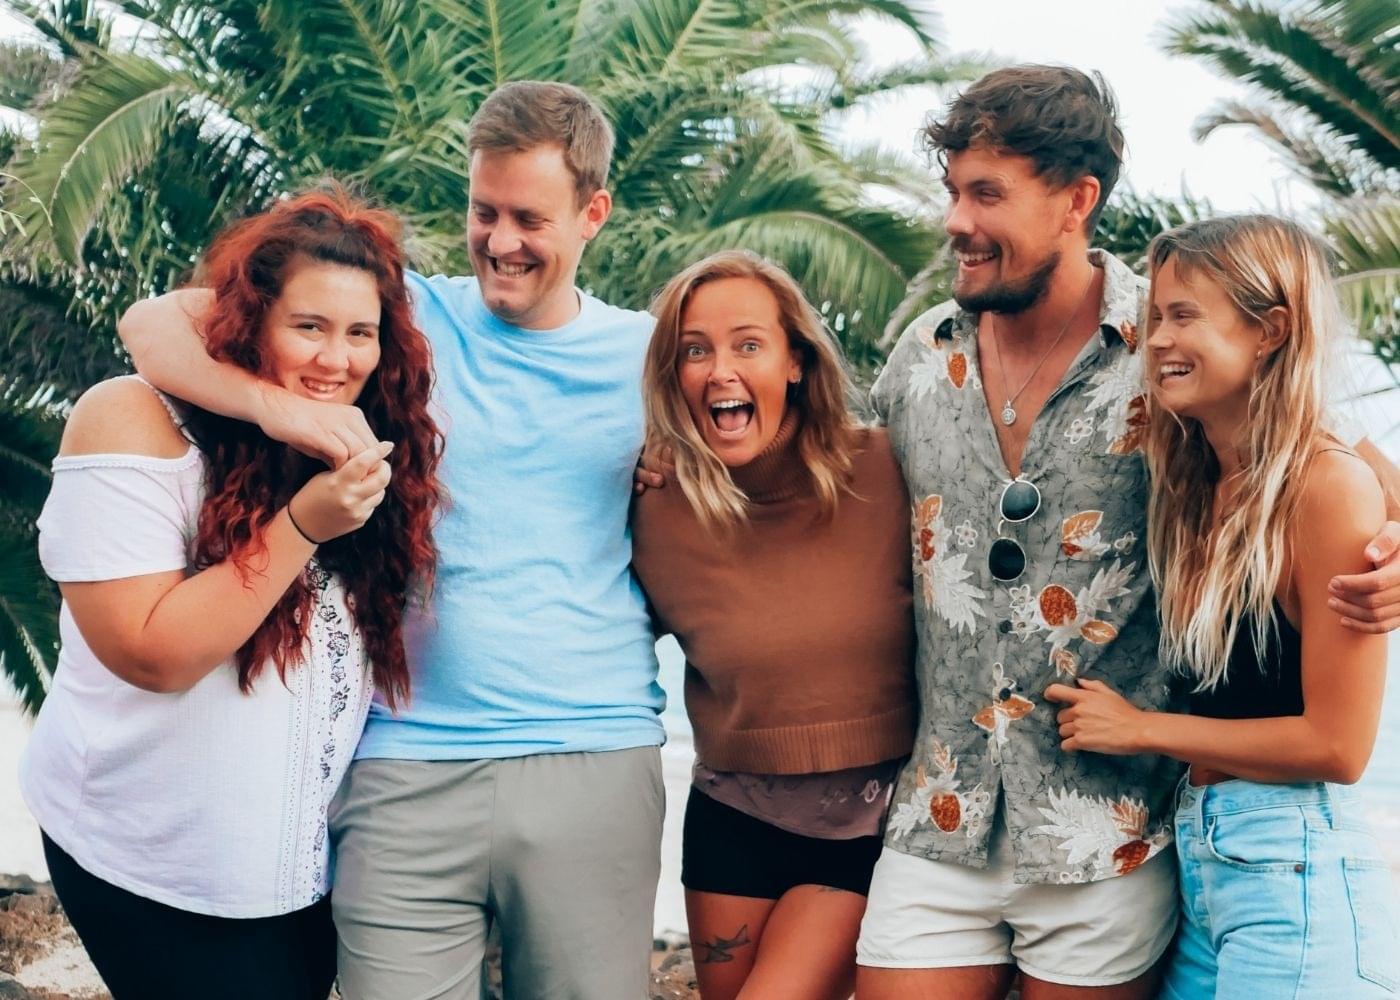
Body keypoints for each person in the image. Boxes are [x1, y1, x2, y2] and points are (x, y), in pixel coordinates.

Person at [850, 66, 1400, 999]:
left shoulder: (1173, 340)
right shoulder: (920, 354)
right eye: (953, 192)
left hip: (1112, 828)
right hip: (938, 815)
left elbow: (1317, 448)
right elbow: (838, 493)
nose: (956, 221)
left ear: (1077, 201)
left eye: (987, 194)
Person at [118, 82, 665, 999]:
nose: (499, 241)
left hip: (595, 757)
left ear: (593, 214)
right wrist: (281, 409)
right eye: (483, 212)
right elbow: (151, 325)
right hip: (399, 762)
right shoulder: (402, 321)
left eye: (529, 219)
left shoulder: (650, 358)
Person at [19, 187, 442, 1000]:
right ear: (250, 320)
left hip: (300, 877)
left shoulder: (366, 437)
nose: (336, 358)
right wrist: (302, 522)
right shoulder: (134, 419)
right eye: (308, 326)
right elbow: (153, 655)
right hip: (154, 864)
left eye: (359, 333)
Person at [1045, 215, 1399, 998]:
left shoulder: (1325, 485)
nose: (1157, 341)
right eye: (1154, 318)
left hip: (1294, 880)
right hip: (1208, 873)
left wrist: (1139, 729)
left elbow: (1339, 745)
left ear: (1270, 330)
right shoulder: (1200, 477)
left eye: (1183, 316)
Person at [631, 250, 915, 999]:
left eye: (748, 344)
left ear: (795, 361)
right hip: (730, 818)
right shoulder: (654, 500)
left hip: (866, 826)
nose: (720, 371)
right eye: (695, 350)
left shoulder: (888, 471)